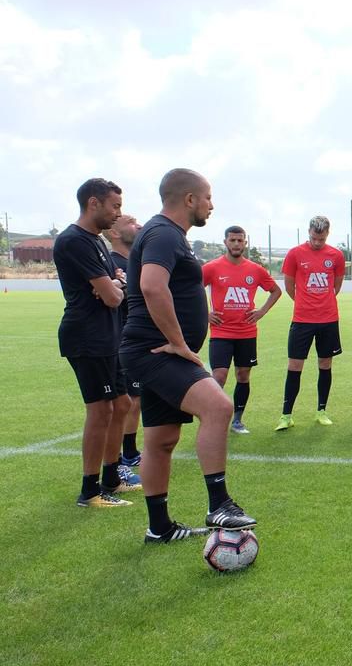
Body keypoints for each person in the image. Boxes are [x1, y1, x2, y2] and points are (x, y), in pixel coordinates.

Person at [120, 168, 256, 542]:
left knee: (161, 440)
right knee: (219, 406)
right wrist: (179, 343)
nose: (212, 205)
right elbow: (151, 285)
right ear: (189, 199)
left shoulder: (166, 234)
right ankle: (219, 505)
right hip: (157, 352)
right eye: (208, 197)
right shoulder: (164, 233)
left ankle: (159, 528)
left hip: (151, 351)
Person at [54, 178, 137, 507]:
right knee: (101, 410)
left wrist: (115, 287)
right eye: (114, 206)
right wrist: (115, 288)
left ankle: (112, 479)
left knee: (123, 405)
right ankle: (90, 491)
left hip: (108, 336)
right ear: (93, 203)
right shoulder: (75, 240)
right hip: (87, 337)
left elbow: (115, 289)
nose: (117, 213)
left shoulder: (97, 242)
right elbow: (113, 296)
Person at [202, 225, 282, 433]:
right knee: (219, 376)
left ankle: (237, 420)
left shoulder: (255, 270)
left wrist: (261, 311)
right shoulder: (211, 268)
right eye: (232, 240)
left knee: (243, 376)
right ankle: (212, 419)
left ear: (245, 243)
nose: (236, 244)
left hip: (246, 332)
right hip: (220, 332)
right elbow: (191, 291)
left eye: (240, 240)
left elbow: (275, 291)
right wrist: (204, 313)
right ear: (225, 242)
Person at [277, 216, 345, 430]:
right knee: (295, 365)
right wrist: (304, 302)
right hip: (302, 320)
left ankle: (321, 411)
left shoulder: (336, 255)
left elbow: (336, 285)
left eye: (322, 238)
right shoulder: (295, 254)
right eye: (315, 238)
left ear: (328, 234)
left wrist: (322, 302)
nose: (317, 242)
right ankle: (286, 416)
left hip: (328, 319)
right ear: (309, 232)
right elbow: (289, 285)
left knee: (325, 364)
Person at [105, 212, 144, 482]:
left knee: (135, 400)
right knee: (123, 402)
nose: (139, 225)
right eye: (131, 222)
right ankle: (121, 459)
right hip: (121, 342)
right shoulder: (112, 263)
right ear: (115, 233)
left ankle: (129, 453)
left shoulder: (136, 262)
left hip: (139, 340)